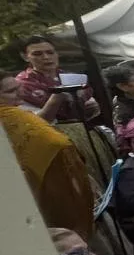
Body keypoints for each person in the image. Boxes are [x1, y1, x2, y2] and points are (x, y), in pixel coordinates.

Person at [0, 71, 96, 239]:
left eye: (18, 88)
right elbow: (56, 146)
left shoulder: (17, 115)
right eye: (10, 92)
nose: (20, 95)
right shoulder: (11, 116)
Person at [16, 34, 100, 123]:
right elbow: (34, 122)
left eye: (50, 52)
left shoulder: (72, 77)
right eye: (37, 54)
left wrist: (92, 107)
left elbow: (90, 104)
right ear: (25, 57)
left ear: (57, 54)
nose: (46, 57)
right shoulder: (21, 86)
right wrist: (56, 99)